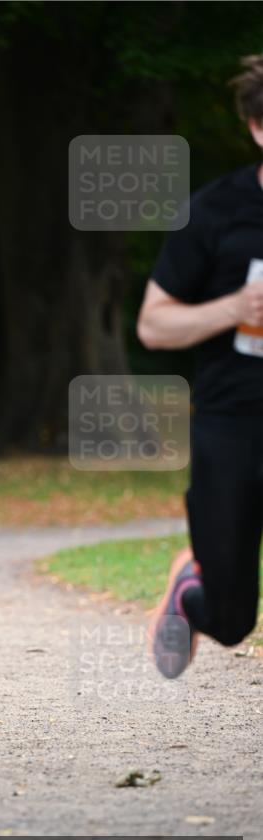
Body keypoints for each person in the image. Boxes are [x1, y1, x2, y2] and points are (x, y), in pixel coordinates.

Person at [138, 54, 263, 678]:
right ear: (257, 128)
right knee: (234, 616)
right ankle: (191, 589)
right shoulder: (215, 211)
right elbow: (153, 325)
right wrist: (235, 306)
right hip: (233, 421)